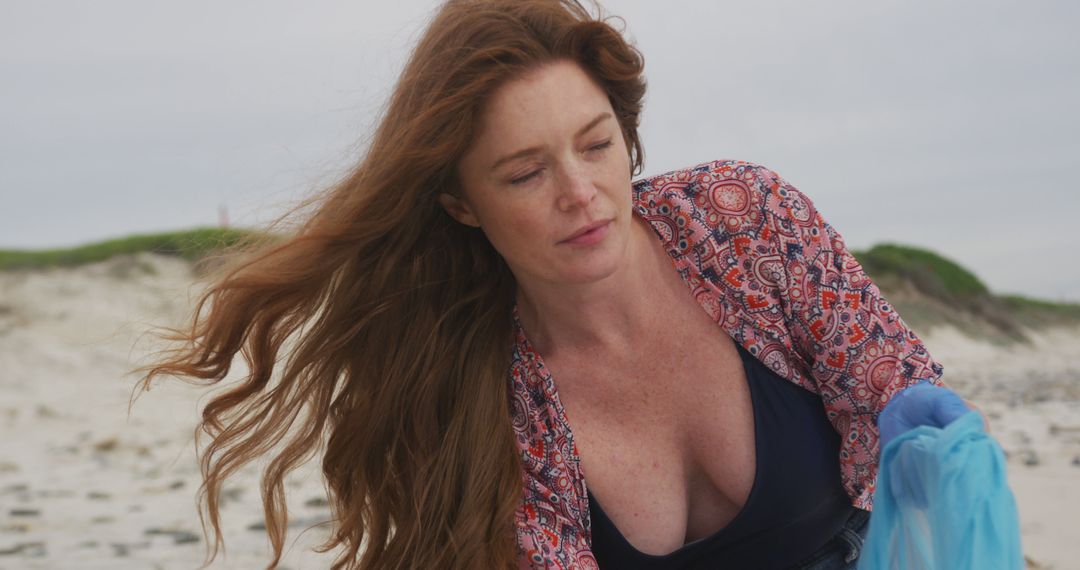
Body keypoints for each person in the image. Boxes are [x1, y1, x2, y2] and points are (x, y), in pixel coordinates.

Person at [133, 1, 980, 568]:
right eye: (524, 172)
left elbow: (890, 383)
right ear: (462, 202)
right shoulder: (477, 402)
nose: (579, 193)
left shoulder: (742, 219)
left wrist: (923, 429)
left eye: (596, 143)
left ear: (627, 132)